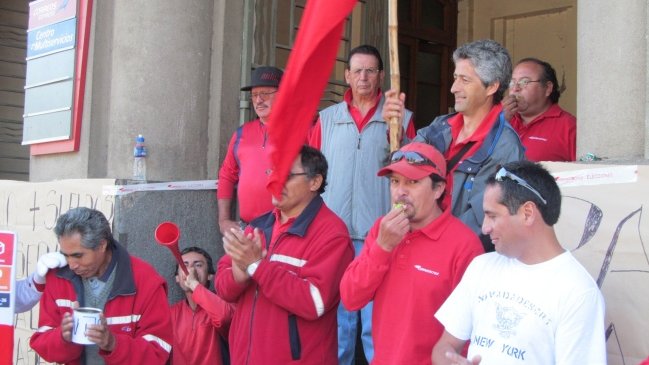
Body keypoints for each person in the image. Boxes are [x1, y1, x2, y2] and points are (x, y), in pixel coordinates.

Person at [432, 160, 606, 365]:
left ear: (528, 213)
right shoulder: (482, 267)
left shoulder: (578, 292)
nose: (485, 228)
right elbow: (444, 347)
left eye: (492, 216)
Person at [307, 44, 415, 365]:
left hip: (378, 237)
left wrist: (399, 137)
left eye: (370, 70)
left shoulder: (399, 118)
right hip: (333, 236)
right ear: (347, 76)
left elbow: (414, 170)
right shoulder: (326, 120)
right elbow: (311, 176)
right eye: (357, 71)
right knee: (339, 322)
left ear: (381, 75)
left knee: (375, 323)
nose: (364, 77)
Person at [339, 142, 484, 365]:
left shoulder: (464, 245)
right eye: (395, 181)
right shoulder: (382, 229)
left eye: (412, 182)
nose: (400, 191)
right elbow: (350, 297)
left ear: (438, 189)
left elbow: (470, 331)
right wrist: (383, 247)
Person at [382, 39, 525, 251]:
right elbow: (405, 169)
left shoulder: (505, 146)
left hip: (457, 256)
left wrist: (433, 245)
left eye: (465, 80)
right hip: (417, 245)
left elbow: (481, 220)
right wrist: (395, 128)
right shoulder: (440, 127)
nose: (453, 88)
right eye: (455, 78)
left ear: (492, 87)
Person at [215, 145, 354, 364]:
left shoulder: (332, 234)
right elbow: (223, 287)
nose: (274, 183)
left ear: (315, 182)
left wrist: (257, 267)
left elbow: (314, 301)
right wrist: (238, 275)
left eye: (286, 176)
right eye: (272, 173)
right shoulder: (258, 225)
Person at [30, 207, 173, 365]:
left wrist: (113, 344)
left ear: (102, 245)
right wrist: (62, 337)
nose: (71, 265)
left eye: (78, 255)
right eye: (65, 255)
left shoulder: (145, 280)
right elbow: (42, 343)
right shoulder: (57, 277)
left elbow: (158, 352)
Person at [218, 66, 284, 235]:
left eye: (266, 93)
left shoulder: (301, 131)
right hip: (248, 228)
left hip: (286, 229)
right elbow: (226, 175)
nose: (259, 100)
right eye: (254, 95)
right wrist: (224, 220)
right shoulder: (242, 132)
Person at [502, 58, 576, 162]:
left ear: (547, 88)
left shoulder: (569, 127)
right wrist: (499, 122)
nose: (515, 88)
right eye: (512, 83)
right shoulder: (504, 119)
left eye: (524, 81)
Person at [171, 246, 235, 365]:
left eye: (198, 265)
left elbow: (223, 317)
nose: (190, 270)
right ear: (177, 278)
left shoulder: (222, 304)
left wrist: (194, 284)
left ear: (210, 275)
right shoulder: (171, 313)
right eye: (184, 265)